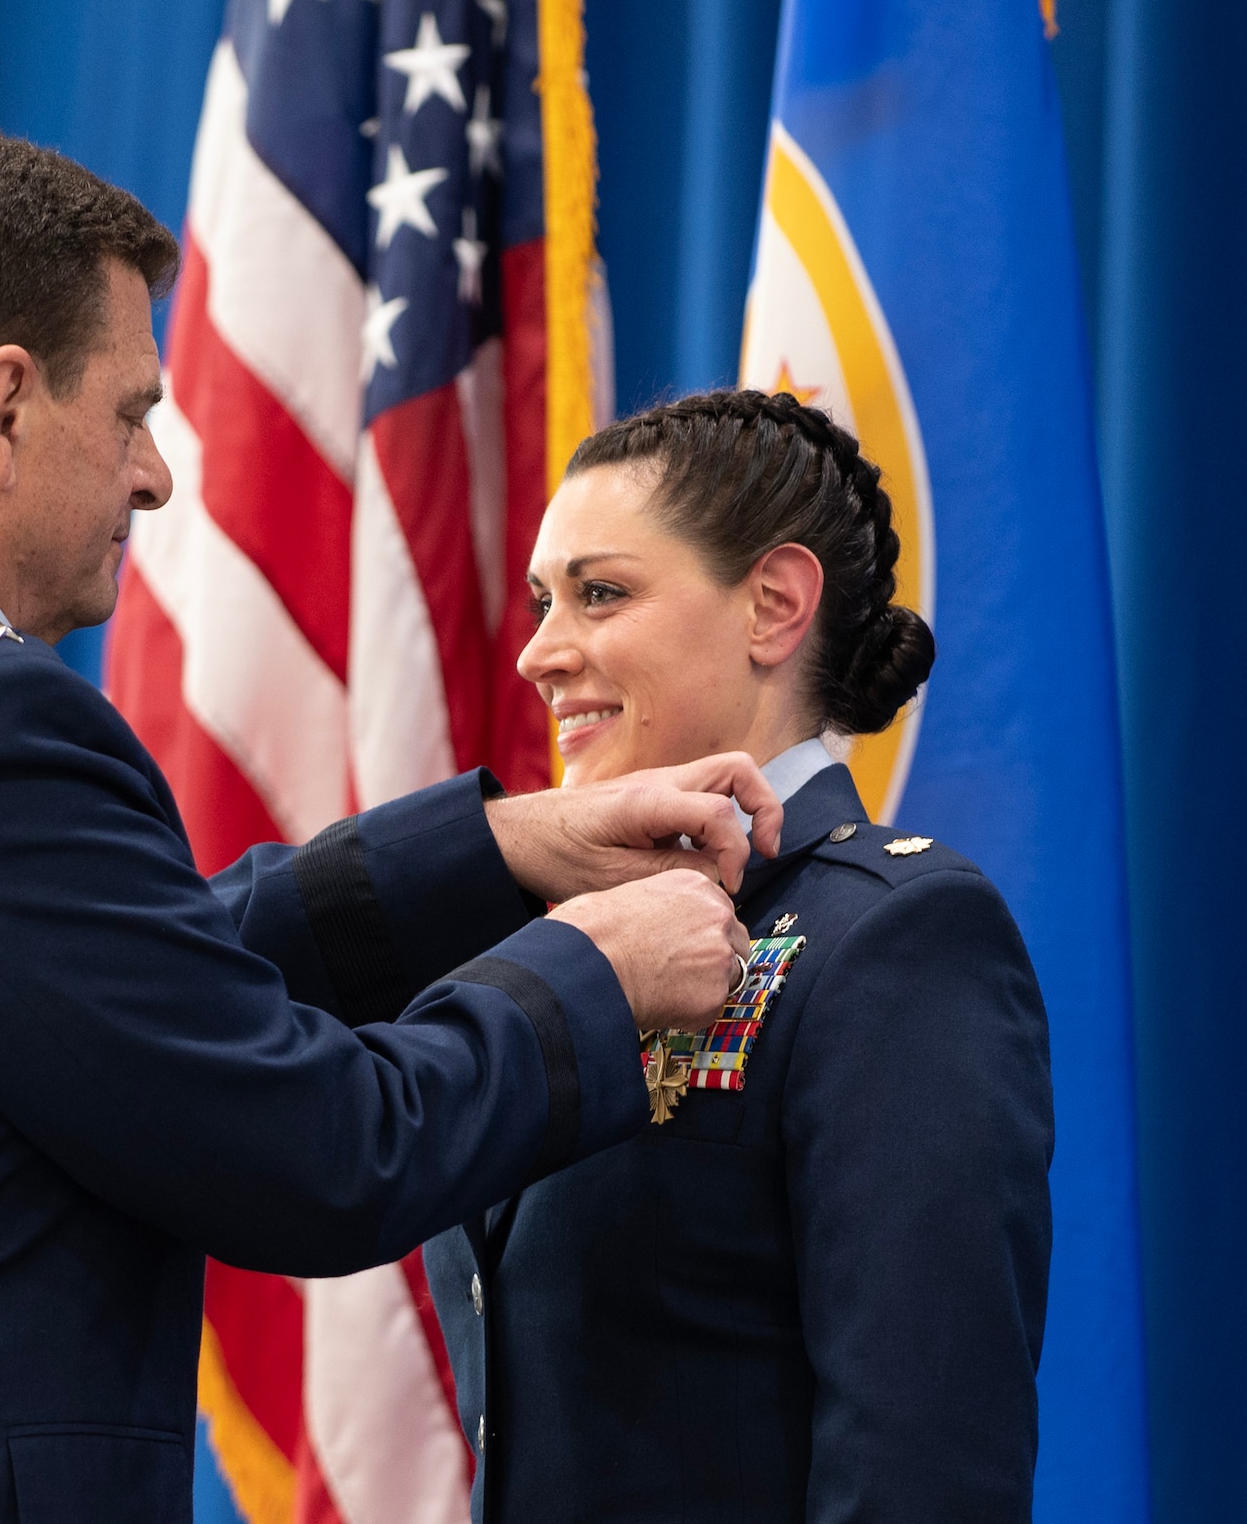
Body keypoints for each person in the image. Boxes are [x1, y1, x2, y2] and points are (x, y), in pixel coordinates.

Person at [0, 131, 781, 1524]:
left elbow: (88, 983)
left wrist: (501, 851)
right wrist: (594, 975)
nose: (158, 477)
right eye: (129, 413)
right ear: (2, 407)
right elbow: (321, 1148)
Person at [425, 389, 1054, 1523]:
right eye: (538, 602)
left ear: (772, 606)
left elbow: (920, 1471)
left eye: (598, 594)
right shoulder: (543, 942)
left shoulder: (895, 940)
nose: (535, 653)